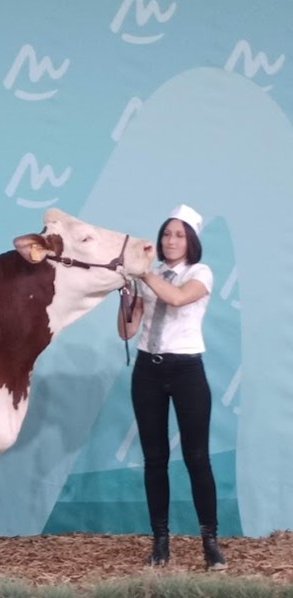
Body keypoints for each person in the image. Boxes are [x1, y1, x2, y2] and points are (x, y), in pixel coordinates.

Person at [117, 204, 227, 571]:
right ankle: (160, 542)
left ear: (191, 240)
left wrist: (143, 273)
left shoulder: (200, 273)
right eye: (166, 234)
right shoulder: (150, 278)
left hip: (186, 370)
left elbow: (177, 298)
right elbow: (127, 331)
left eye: (179, 235)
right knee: (154, 460)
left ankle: (210, 542)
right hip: (148, 369)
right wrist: (125, 295)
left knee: (197, 458)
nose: (171, 240)